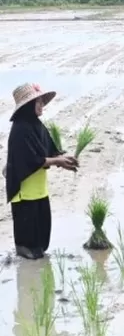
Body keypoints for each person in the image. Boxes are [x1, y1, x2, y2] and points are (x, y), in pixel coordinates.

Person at [3, 83, 78, 260]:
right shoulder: (20, 129)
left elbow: (47, 149)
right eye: (38, 102)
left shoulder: (37, 125)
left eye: (42, 101)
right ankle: (23, 248)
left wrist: (63, 160)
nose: (42, 105)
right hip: (24, 186)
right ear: (28, 105)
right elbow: (30, 160)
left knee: (42, 222)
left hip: (38, 185)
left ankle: (37, 250)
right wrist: (57, 161)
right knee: (27, 223)